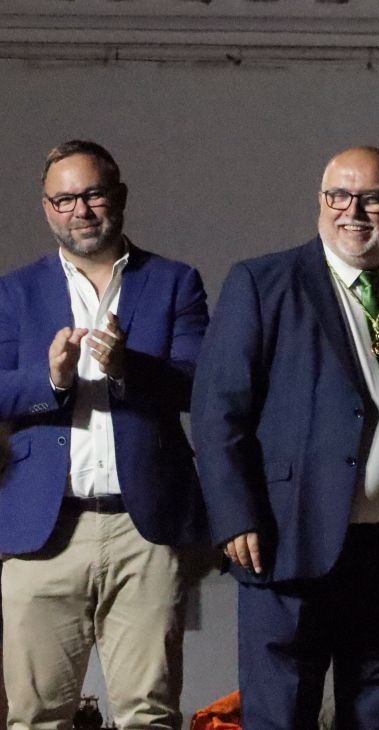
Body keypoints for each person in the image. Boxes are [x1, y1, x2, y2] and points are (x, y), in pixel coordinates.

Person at [191, 146, 379, 730]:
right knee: (283, 713)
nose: (353, 211)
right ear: (320, 203)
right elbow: (219, 411)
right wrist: (235, 514)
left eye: (371, 197)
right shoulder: (263, 283)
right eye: (338, 196)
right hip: (288, 537)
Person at [0, 139, 209, 729]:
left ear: (118, 197)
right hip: (42, 530)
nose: (81, 210)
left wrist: (127, 369)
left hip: (143, 530)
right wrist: (51, 379)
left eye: (92, 194)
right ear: (46, 208)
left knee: (150, 714)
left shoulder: (174, 282)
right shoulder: (14, 292)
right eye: (64, 199)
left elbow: (200, 385)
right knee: (36, 716)